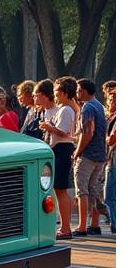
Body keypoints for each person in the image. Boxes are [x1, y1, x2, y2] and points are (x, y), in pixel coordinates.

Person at [38, 78, 76, 240]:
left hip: (62, 148)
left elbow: (64, 133)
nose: (55, 95)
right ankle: (64, 226)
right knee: (58, 189)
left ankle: (66, 227)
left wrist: (49, 127)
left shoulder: (66, 110)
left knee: (61, 190)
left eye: (57, 92)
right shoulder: (61, 109)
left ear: (65, 93)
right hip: (57, 149)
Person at [72, 79, 108, 236]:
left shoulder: (87, 107)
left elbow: (87, 132)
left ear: (84, 91)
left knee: (82, 190)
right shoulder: (99, 105)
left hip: (88, 154)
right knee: (92, 189)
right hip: (100, 154)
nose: (77, 93)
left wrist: (77, 152)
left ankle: (81, 226)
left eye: (79, 90)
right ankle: (94, 224)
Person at [102, 81, 116, 234]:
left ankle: (115, 223)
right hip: (111, 156)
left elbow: (112, 139)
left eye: (112, 99)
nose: (109, 101)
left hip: (114, 157)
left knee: (110, 194)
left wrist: (105, 137)